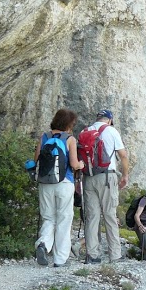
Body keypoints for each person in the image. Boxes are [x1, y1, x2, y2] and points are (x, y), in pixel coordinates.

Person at [34, 109, 84, 268]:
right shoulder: (70, 139)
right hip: (64, 183)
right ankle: (60, 259)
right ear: (69, 124)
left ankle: (43, 244)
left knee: (49, 217)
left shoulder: (44, 136)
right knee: (64, 219)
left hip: (45, 183)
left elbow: (36, 160)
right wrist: (81, 165)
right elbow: (74, 164)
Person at [81, 109, 129, 263]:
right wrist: (125, 175)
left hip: (88, 178)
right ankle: (115, 255)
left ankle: (92, 254)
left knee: (92, 217)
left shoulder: (85, 131)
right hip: (107, 176)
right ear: (109, 120)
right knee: (109, 214)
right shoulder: (111, 131)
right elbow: (123, 155)